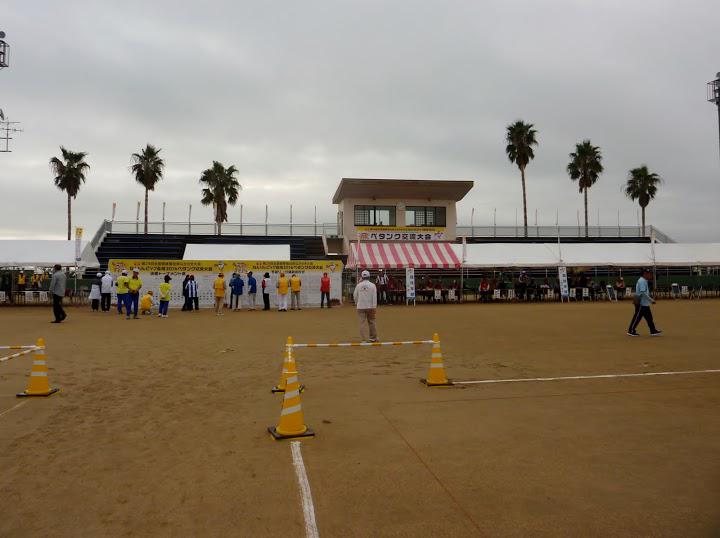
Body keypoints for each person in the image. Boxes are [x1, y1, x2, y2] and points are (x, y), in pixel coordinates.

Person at [628, 268, 662, 337]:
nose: (650, 275)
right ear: (644, 274)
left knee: (649, 317)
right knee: (637, 317)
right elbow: (643, 292)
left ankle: (653, 330)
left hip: (644, 303)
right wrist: (651, 300)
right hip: (641, 303)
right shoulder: (642, 281)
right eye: (648, 273)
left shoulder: (644, 280)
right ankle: (631, 330)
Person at [353, 270, 378, 342]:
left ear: (362, 277)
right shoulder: (373, 285)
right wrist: (374, 307)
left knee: (362, 323)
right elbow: (374, 297)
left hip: (360, 307)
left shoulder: (358, 285)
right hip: (370, 307)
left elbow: (355, 296)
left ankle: (363, 339)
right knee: (372, 322)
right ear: (369, 276)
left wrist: (357, 303)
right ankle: (373, 338)